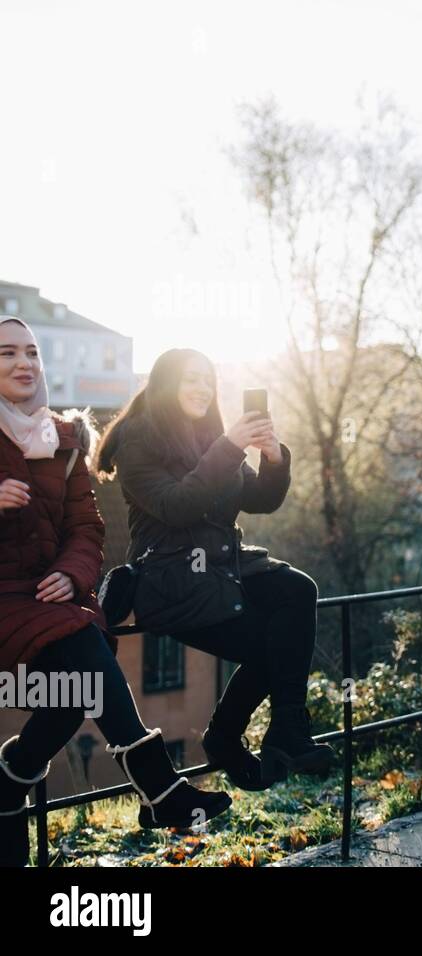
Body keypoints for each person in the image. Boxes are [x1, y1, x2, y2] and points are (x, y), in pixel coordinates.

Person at [0, 317, 230, 867]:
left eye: (32, 352)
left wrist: (74, 575)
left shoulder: (66, 438)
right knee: (83, 634)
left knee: (75, 689)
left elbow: (87, 528)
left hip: (49, 595)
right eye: (7, 353)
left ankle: (11, 778)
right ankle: (157, 786)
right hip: (6, 597)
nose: (23, 363)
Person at [94, 348, 333, 789]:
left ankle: (286, 728)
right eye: (191, 379)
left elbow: (260, 499)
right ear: (166, 384)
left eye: (208, 380)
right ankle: (227, 736)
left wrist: (273, 456)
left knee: (298, 590)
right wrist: (228, 446)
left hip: (225, 568)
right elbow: (177, 506)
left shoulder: (208, 436)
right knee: (270, 646)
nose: (203, 388)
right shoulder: (138, 441)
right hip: (173, 582)